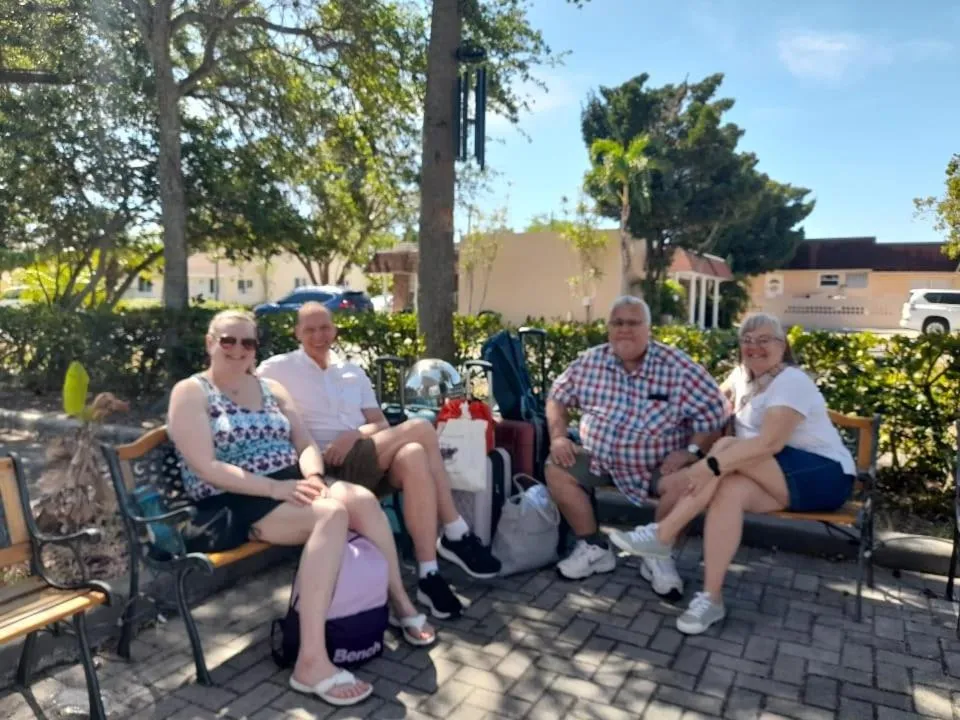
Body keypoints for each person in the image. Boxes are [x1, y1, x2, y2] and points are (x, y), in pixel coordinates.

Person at [168, 310, 434, 708]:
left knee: (358, 499)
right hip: (235, 500)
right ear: (211, 343)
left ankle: (400, 602)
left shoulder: (271, 387)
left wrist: (311, 477)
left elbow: (305, 442)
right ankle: (311, 661)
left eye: (248, 342)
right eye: (228, 340)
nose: (238, 349)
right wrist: (276, 487)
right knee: (331, 514)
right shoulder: (191, 392)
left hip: (291, 484)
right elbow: (207, 467)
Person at [609, 312, 857, 635]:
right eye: (747, 341)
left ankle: (662, 534)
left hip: (825, 477)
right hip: (777, 477)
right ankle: (711, 599)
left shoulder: (791, 381)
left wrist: (706, 467)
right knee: (727, 492)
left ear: (783, 345)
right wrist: (683, 446)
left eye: (764, 340)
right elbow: (706, 403)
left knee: (727, 446)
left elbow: (769, 443)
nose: (754, 347)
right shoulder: (741, 377)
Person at [257, 302, 501, 620]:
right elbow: (243, 388)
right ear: (297, 333)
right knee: (421, 428)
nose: (318, 335)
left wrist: (354, 435)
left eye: (325, 328)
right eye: (310, 329)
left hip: (361, 454)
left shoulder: (352, 371)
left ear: (335, 330)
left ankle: (428, 574)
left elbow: (380, 424)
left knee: (413, 453)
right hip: (324, 463)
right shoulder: (277, 368)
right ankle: (455, 531)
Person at [545, 296, 728, 596]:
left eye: (633, 323)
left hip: (660, 466)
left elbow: (715, 412)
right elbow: (557, 397)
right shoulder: (590, 361)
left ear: (649, 329)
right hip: (601, 460)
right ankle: (593, 548)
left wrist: (690, 452)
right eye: (618, 323)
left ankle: (658, 554)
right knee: (556, 469)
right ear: (608, 328)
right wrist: (559, 437)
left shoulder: (677, 366)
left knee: (687, 484)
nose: (625, 330)